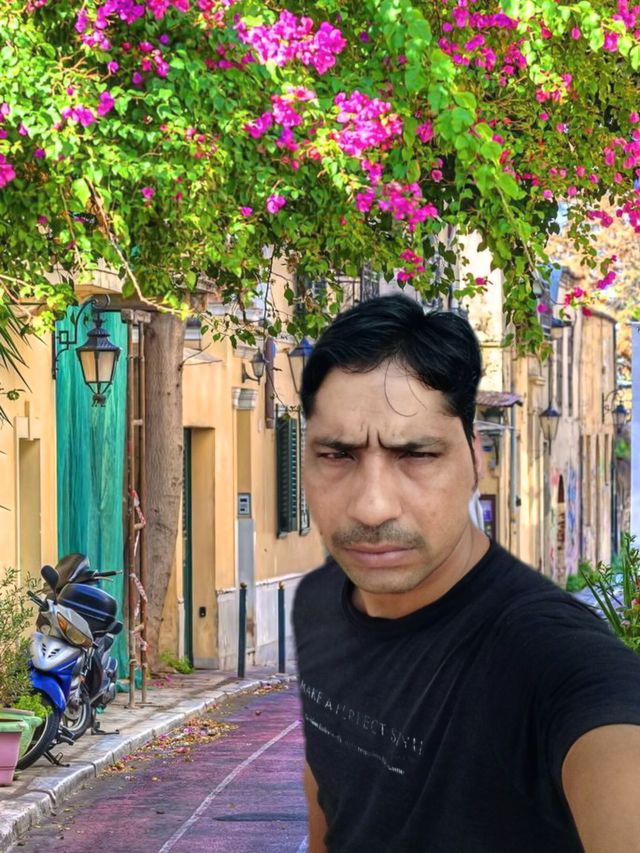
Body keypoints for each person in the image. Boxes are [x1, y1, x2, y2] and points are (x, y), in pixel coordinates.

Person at [293, 294, 640, 853]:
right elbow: (332, 810)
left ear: (474, 458)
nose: (373, 507)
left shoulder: (549, 654)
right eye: (338, 455)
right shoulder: (319, 602)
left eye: (417, 455)